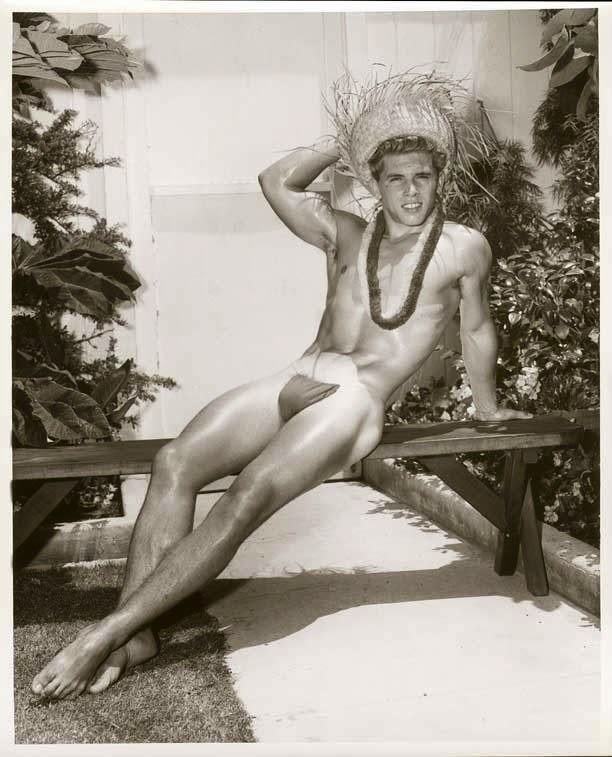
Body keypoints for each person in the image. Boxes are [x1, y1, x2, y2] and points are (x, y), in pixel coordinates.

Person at [31, 69, 531, 700]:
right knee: (175, 461)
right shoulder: (345, 232)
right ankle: (139, 634)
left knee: (246, 496)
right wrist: (346, 138)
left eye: (423, 176)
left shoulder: (462, 246)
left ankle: (104, 634)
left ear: (441, 178)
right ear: (373, 181)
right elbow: (276, 181)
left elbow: (478, 328)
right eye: (396, 177)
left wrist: (487, 408)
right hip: (300, 373)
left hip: (354, 400)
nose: (410, 190)